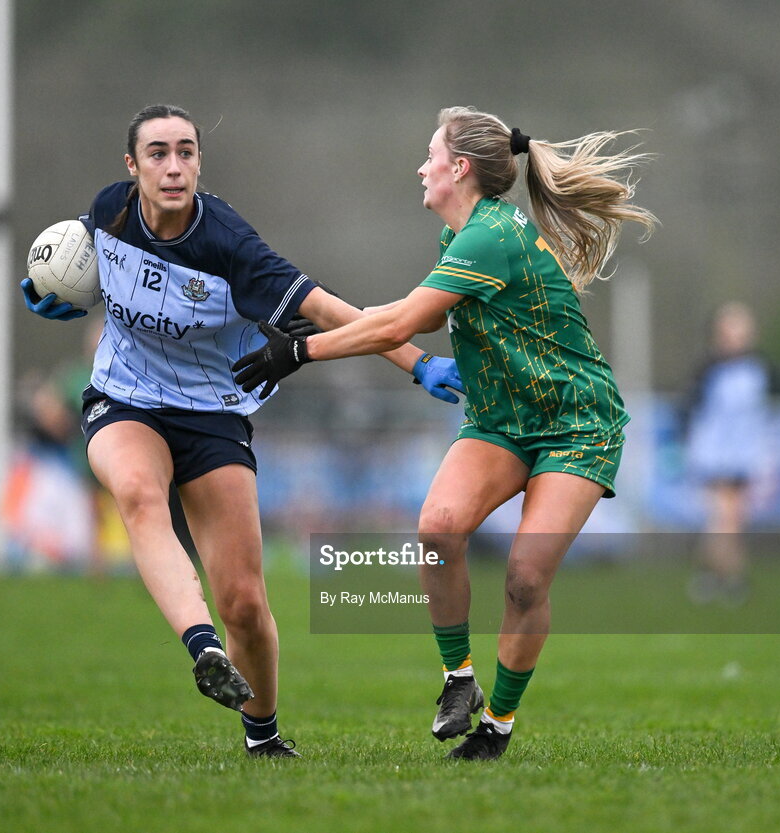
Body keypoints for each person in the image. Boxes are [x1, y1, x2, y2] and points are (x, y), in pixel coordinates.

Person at [19, 103, 464, 758]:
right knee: (141, 497)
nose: (174, 166)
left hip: (213, 413)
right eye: (158, 153)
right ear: (132, 166)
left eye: (186, 152)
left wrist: (416, 360)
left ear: (200, 160)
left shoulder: (229, 245)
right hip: (124, 397)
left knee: (247, 604)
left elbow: (327, 310)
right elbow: (72, 264)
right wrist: (44, 284)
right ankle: (202, 647)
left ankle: (263, 736)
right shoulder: (108, 212)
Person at [233, 106, 656, 759]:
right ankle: (458, 680)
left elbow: (401, 323)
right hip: (502, 419)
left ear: (459, 168)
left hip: (576, 423)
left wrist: (300, 352)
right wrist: (327, 332)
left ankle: (498, 725)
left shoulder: (490, 236)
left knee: (524, 577)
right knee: (438, 528)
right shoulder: (463, 238)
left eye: (431, 154)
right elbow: (396, 316)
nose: (421, 167)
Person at [683, 301, 769, 604]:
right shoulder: (709, 369)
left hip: (742, 454)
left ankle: (714, 576)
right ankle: (729, 578)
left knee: (732, 519)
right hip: (714, 454)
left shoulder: (757, 367)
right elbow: (690, 410)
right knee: (725, 518)